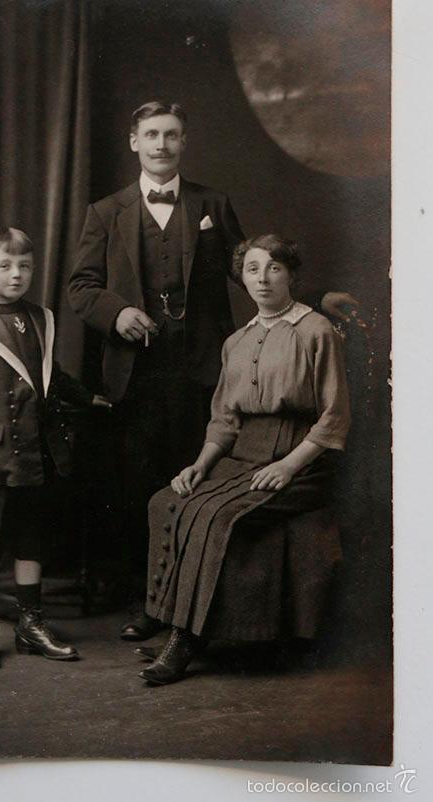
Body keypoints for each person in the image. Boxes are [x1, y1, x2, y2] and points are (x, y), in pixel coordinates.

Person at [67, 100, 355, 641]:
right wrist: (117, 312)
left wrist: (314, 297)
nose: (160, 145)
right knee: (139, 490)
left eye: (171, 135)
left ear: (183, 142)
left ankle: (192, 607)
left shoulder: (211, 204)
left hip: (202, 370)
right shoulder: (106, 212)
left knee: (194, 478)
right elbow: (80, 288)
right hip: (134, 373)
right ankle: (148, 603)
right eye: (150, 135)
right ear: (134, 143)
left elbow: (250, 269)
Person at [138, 234, 350, 685]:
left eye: (274, 268)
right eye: (253, 269)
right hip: (242, 453)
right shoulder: (237, 341)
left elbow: (334, 418)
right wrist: (200, 465)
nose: (263, 278)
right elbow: (224, 420)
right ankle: (167, 614)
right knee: (168, 500)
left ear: (291, 275)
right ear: (242, 279)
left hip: (301, 456)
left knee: (215, 513)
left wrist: (289, 465)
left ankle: (185, 641)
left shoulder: (317, 331)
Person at [0, 227, 110, 669]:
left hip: (35, 454)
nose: (16, 274)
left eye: (25, 266)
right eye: (5, 266)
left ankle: (30, 625)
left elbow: (50, 375)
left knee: (30, 541)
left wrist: (86, 397)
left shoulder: (38, 318)